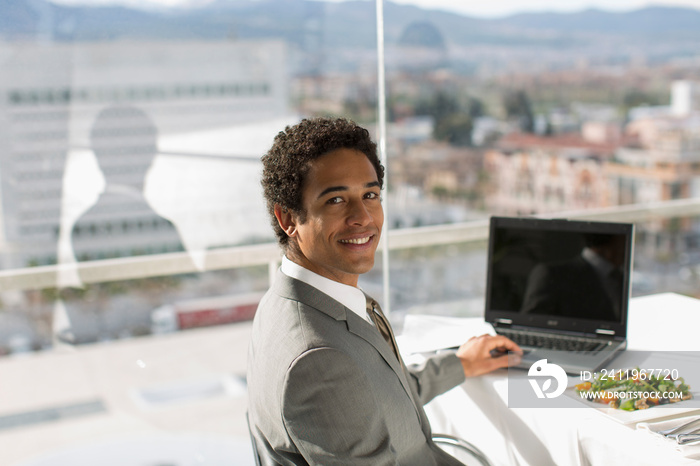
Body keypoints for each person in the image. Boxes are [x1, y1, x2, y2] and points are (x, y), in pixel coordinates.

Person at [247, 117, 522, 465]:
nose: (363, 216)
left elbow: (375, 396)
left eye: (370, 195)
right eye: (335, 200)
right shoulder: (318, 357)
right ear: (288, 219)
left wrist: (461, 363)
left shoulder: (293, 299)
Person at [521, 233, 626, 320]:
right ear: (616, 240)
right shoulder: (551, 274)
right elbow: (531, 322)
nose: (627, 243)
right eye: (624, 239)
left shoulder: (620, 277)